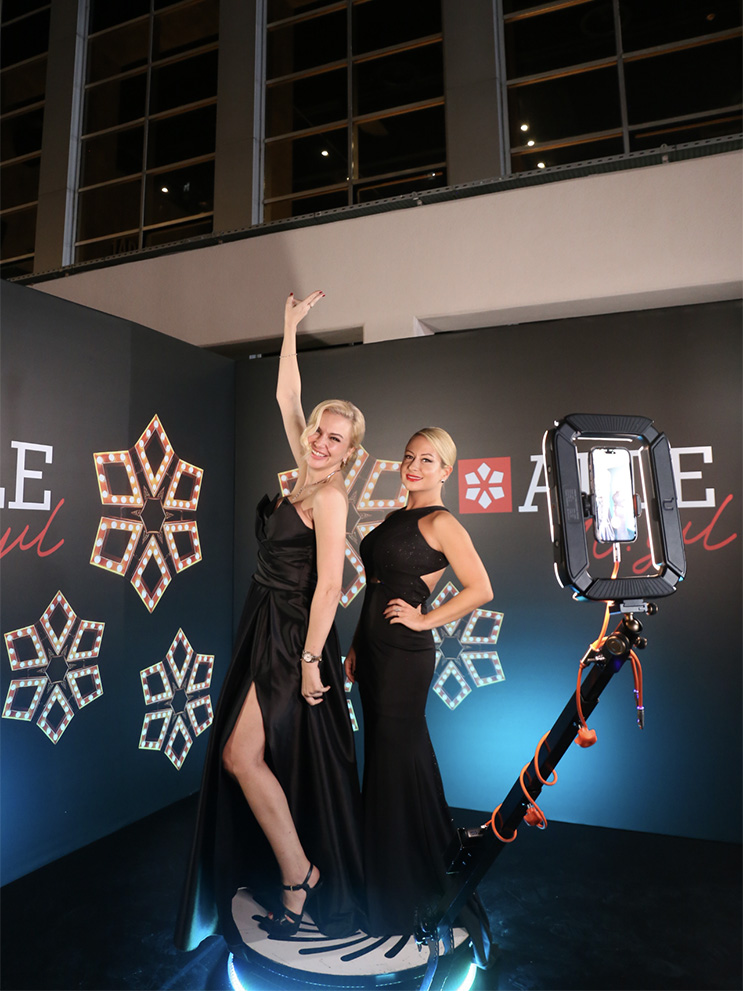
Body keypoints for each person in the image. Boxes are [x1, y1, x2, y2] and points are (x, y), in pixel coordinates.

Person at [176, 291, 365, 953]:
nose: (319, 441)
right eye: (318, 431)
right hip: (263, 622)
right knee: (244, 755)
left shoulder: (331, 495)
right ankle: (297, 871)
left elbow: (331, 585)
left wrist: (310, 660)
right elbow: (288, 397)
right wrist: (288, 325)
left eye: (334, 438)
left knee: (240, 755)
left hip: (290, 635)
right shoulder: (305, 472)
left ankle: (299, 873)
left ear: (349, 451)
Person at [345, 427, 495, 965]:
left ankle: (402, 888)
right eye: (410, 457)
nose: (413, 466)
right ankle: (394, 868)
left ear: (445, 471)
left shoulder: (441, 522)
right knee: (389, 759)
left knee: (395, 759)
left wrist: (425, 620)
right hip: (373, 649)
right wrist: (357, 644)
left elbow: (481, 588)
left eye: (427, 460)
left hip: (404, 654)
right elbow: (375, 589)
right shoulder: (393, 519)